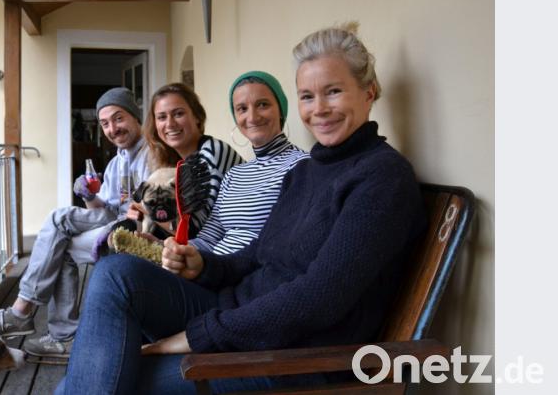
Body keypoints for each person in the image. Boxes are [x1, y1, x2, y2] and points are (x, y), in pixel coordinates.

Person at [55, 23, 428, 394]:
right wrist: (206, 266)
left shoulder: (382, 178)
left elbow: (319, 299)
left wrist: (193, 337)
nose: (320, 110)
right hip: (240, 315)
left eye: (333, 92)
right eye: (308, 97)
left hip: (294, 354)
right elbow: (258, 253)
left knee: (94, 381)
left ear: (369, 92)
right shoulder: (308, 171)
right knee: (116, 271)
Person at [0, 87, 150, 362]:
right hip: (113, 219)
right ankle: (61, 335)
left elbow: (147, 211)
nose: (112, 128)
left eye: (118, 119)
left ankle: (25, 314)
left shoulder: (150, 154)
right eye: (105, 123)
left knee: (57, 222)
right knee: (59, 239)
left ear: (135, 117)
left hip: (133, 229)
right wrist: (88, 196)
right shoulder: (115, 163)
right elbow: (102, 210)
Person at [190, 71, 309, 255]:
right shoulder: (234, 174)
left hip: (249, 278)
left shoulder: (302, 166)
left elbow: (287, 243)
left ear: (281, 110)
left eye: (262, 105)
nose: (252, 117)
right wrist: (175, 249)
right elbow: (209, 236)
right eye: (242, 109)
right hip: (211, 271)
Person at [134, 83, 244, 237]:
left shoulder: (211, 153)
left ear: (197, 117)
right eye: (162, 117)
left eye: (178, 114)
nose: (170, 123)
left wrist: (145, 208)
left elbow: (194, 230)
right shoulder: (179, 162)